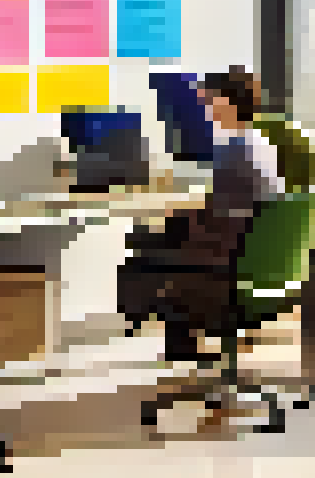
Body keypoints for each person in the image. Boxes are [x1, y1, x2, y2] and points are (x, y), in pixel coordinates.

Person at [120, 67, 284, 364]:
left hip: (229, 267)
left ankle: (153, 328)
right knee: (161, 238)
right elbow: (234, 207)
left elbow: (220, 217)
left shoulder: (236, 149)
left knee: (144, 249)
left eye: (211, 100)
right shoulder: (261, 145)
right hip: (261, 270)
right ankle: (175, 340)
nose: (207, 107)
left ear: (227, 101)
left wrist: (174, 215)